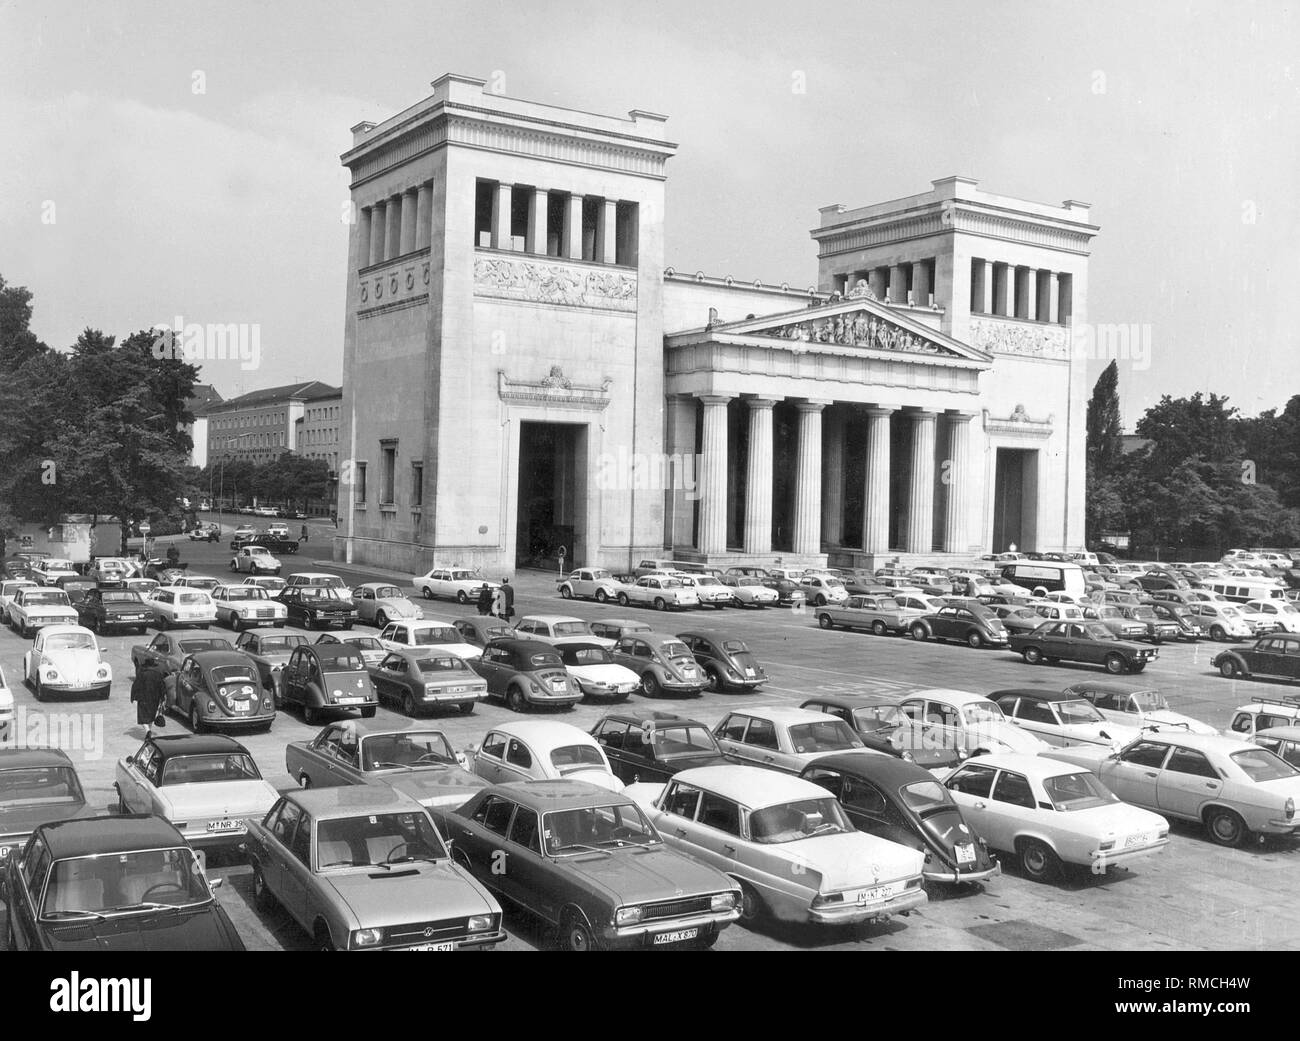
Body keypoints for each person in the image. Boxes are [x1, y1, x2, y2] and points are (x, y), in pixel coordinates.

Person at [130, 660, 167, 732]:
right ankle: (149, 730)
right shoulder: (158, 674)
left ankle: (148, 731)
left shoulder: (142, 674)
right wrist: (162, 698)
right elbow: (162, 687)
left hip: (143, 699)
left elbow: (135, 686)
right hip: (154, 699)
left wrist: (133, 697)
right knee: (151, 717)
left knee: (142, 717)